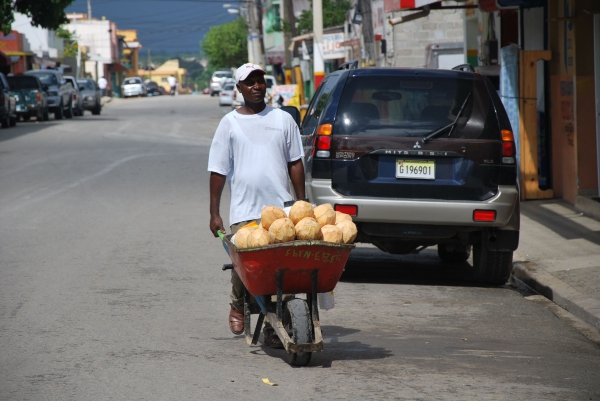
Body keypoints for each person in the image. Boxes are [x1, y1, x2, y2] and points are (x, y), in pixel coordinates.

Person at [208, 63, 305, 348]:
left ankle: (279, 323)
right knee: (245, 259)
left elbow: (295, 162)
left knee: (284, 268)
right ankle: (238, 302)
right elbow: (218, 170)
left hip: (281, 210)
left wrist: (301, 202)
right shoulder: (229, 123)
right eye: (249, 82)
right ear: (238, 88)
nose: (256, 86)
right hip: (245, 210)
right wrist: (214, 212)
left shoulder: (283, 119)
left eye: (260, 80)